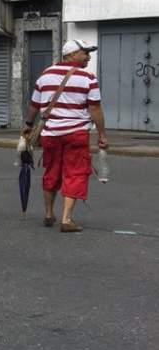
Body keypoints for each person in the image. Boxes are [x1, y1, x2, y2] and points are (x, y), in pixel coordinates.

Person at [22, 40, 109, 233]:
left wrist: (28, 125)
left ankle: (48, 213)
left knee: (51, 170)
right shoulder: (88, 77)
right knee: (75, 173)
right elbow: (94, 108)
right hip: (76, 133)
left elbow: (34, 105)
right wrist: (102, 134)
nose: (88, 56)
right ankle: (66, 219)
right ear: (71, 55)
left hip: (50, 134)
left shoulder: (45, 75)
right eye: (84, 53)